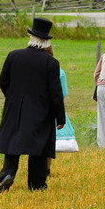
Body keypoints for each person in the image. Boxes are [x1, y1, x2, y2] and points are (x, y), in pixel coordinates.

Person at [0, 18, 65, 192]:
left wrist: (12, 98)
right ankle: (37, 184)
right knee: (38, 146)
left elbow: (3, 81)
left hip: (14, 106)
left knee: (12, 141)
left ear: (31, 37)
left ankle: (7, 174)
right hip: (41, 110)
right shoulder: (51, 63)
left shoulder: (13, 55)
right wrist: (60, 117)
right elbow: (56, 93)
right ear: (47, 41)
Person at [45, 46, 77, 177]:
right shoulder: (59, 71)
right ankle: (46, 169)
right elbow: (63, 92)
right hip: (52, 108)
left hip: (34, 107)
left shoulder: (33, 69)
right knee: (49, 139)